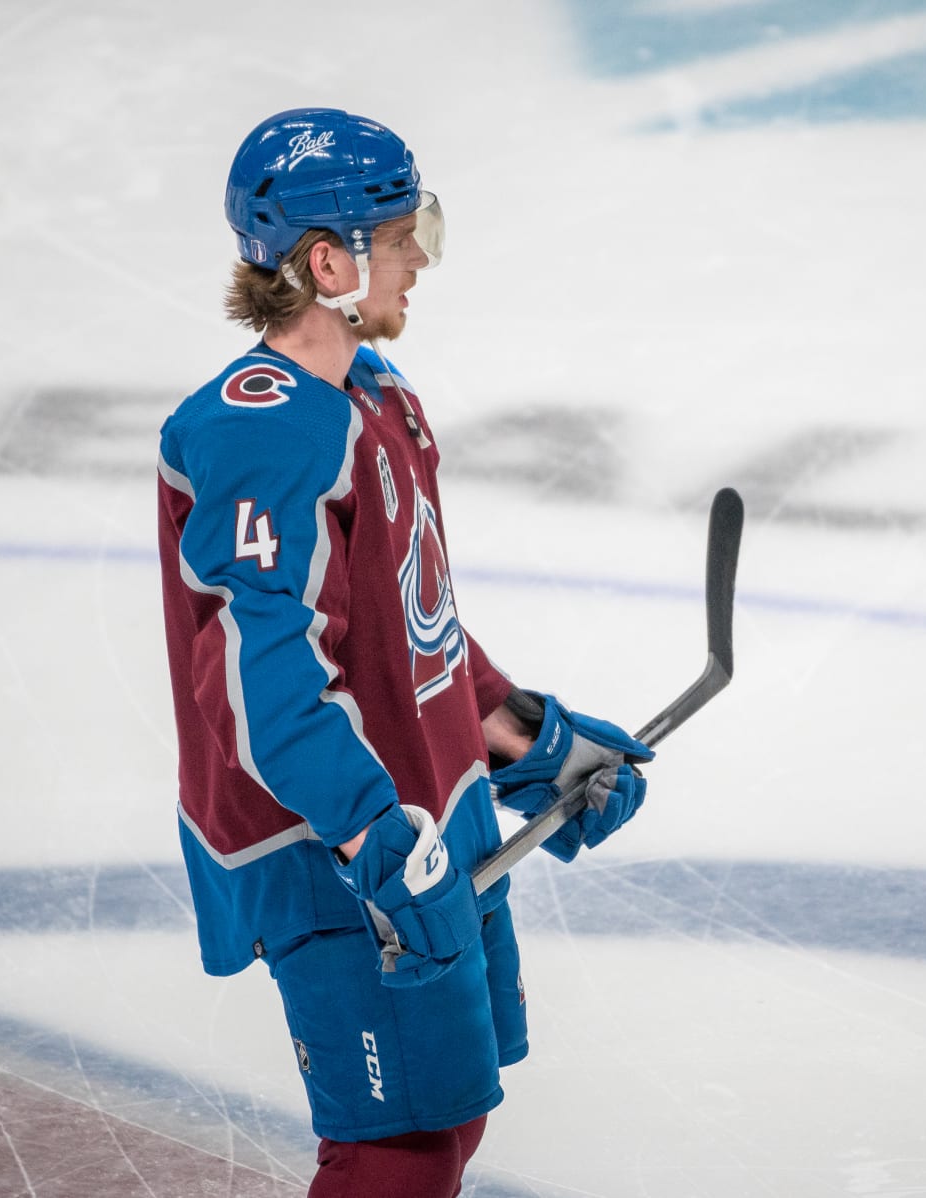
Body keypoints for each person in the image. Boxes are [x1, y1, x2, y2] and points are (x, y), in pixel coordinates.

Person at [156, 108, 653, 1198]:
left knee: (448, 1118)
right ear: (328, 262)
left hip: (428, 806)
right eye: (399, 229)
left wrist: (528, 740)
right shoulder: (261, 429)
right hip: (339, 838)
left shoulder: (375, 396)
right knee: (396, 1151)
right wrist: (378, 839)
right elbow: (259, 684)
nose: (419, 252)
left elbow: (409, 625)